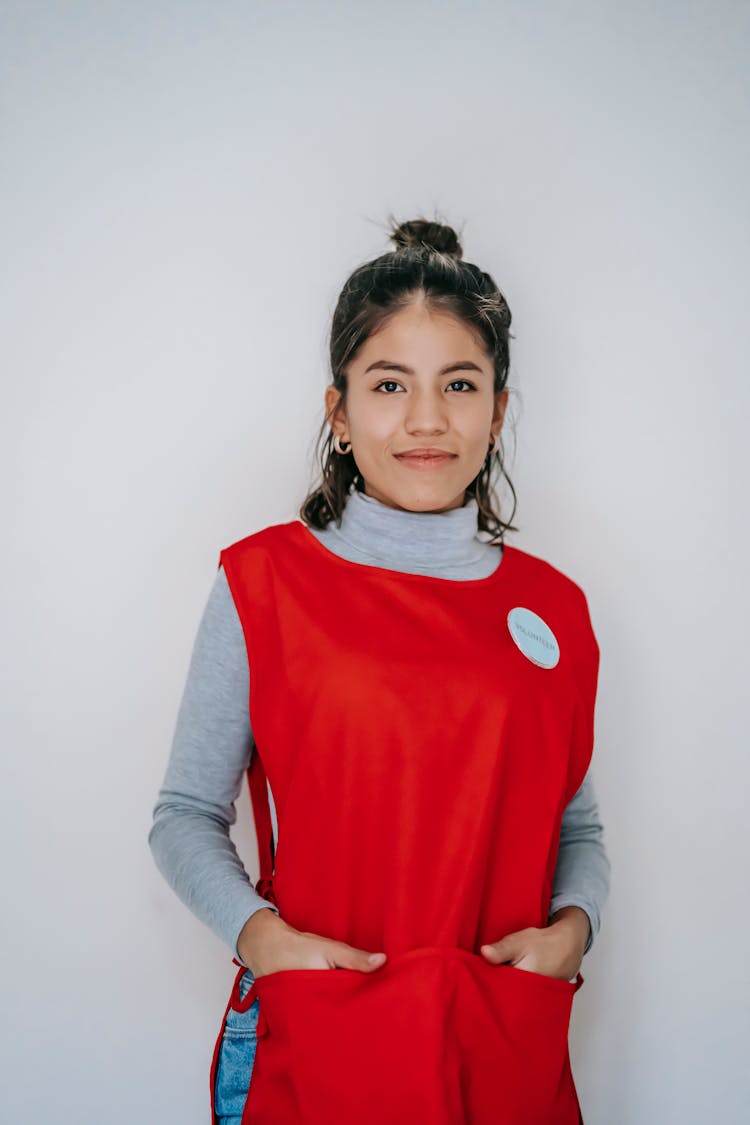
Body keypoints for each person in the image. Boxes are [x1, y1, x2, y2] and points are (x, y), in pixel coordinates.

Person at [148, 215, 610, 1124]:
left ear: (499, 411)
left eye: (460, 384)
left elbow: (576, 822)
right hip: (329, 1046)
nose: (427, 418)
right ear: (341, 412)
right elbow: (184, 816)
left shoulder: (556, 608)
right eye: (389, 383)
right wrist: (261, 940)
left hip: (502, 1048)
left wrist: (573, 932)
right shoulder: (264, 583)